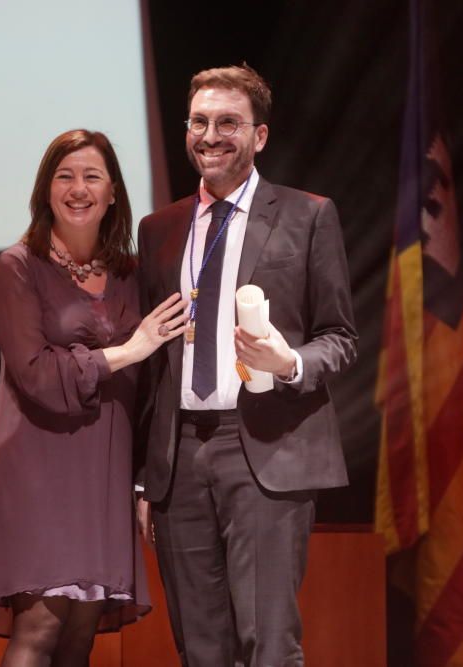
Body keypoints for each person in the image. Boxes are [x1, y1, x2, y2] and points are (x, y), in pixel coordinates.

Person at [135, 64, 357, 666]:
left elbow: (339, 336)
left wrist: (287, 362)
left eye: (228, 122)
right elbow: (151, 368)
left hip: (265, 448)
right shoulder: (157, 229)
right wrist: (145, 476)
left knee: (268, 642)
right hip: (179, 459)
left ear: (259, 136)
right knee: (201, 649)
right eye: (199, 121)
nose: (210, 135)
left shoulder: (308, 215)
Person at [0, 128, 187, 667]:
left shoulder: (131, 275)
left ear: (113, 191)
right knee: (40, 626)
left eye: (92, 176)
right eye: (64, 176)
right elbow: (38, 375)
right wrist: (128, 351)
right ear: (45, 190)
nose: (78, 188)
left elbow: (154, 386)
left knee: (79, 637)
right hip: (41, 465)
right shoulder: (17, 268)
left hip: (104, 468)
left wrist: (145, 478)